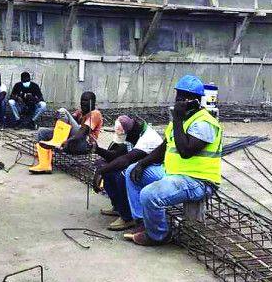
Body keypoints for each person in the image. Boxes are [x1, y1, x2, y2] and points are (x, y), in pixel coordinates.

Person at [123, 75, 223, 246]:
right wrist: (142, 163)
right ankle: (142, 223)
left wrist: (177, 118)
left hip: (197, 181)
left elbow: (185, 151)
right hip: (174, 174)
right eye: (178, 96)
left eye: (183, 97)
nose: (178, 101)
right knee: (132, 171)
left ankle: (158, 236)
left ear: (195, 101)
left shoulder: (204, 123)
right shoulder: (181, 121)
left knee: (149, 195)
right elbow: (164, 148)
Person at [92, 115, 163, 231]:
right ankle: (118, 207)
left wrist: (100, 171)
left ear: (131, 132)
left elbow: (126, 160)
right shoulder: (133, 134)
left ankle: (127, 217)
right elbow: (116, 155)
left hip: (155, 171)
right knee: (107, 167)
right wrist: (98, 150)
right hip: (140, 168)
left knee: (124, 174)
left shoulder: (148, 139)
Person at [29, 91, 102, 174]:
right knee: (42, 132)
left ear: (93, 102)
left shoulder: (95, 114)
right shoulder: (80, 112)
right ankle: (44, 165)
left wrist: (66, 141)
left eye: (86, 100)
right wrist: (58, 118)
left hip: (85, 144)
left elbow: (82, 132)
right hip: (74, 141)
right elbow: (68, 122)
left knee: (63, 111)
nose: (83, 102)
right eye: (82, 100)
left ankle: (57, 141)